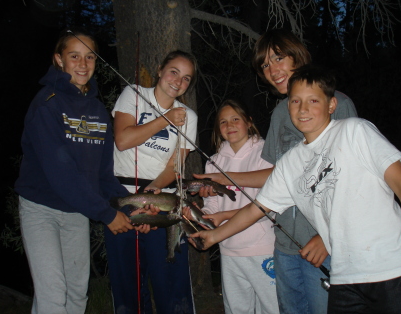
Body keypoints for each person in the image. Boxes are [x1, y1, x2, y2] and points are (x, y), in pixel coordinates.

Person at [191, 64, 401, 313]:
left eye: (313, 100)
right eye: (295, 101)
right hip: (344, 277)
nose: (303, 109)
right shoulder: (290, 163)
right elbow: (256, 208)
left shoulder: (354, 131)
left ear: (331, 105)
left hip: (395, 267)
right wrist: (213, 236)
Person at [194, 29, 357, 314]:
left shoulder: (337, 103)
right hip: (284, 245)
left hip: (323, 244)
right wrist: (221, 178)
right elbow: (276, 178)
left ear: (298, 56)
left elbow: (352, 181)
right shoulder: (281, 113)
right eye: (265, 65)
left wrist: (327, 236)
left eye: (278, 58)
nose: (272, 70)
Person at [15, 28, 155, 314]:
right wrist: (106, 214)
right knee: (54, 295)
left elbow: (103, 175)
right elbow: (61, 173)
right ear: (59, 60)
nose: (82, 64)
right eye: (74, 56)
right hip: (42, 209)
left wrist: (131, 211)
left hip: (77, 212)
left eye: (89, 57)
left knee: (77, 294)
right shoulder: (46, 105)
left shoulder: (98, 111)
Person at [104, 50, 199, 314]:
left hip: (162, 201)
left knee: (169, 278)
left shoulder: (188, 116)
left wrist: (148, 200)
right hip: (121, 196)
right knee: (128, 280)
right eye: (174, 72)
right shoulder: (133, 94)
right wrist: (165, 120)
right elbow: (122, 140)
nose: (178, 82)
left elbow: (175, 167)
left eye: (186, 78)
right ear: (160, 70)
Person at [185, 99, 278, 313]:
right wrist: (198, 215)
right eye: (223, 122)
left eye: (236, 119)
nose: (230, 125)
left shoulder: (265, 153)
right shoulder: (214, 161)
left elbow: (268, 206)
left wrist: (224, 215)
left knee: (271, 307)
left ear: (249, 122)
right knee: (236, 308)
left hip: (262, 248)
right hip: (228, 249)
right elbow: (212, 206)